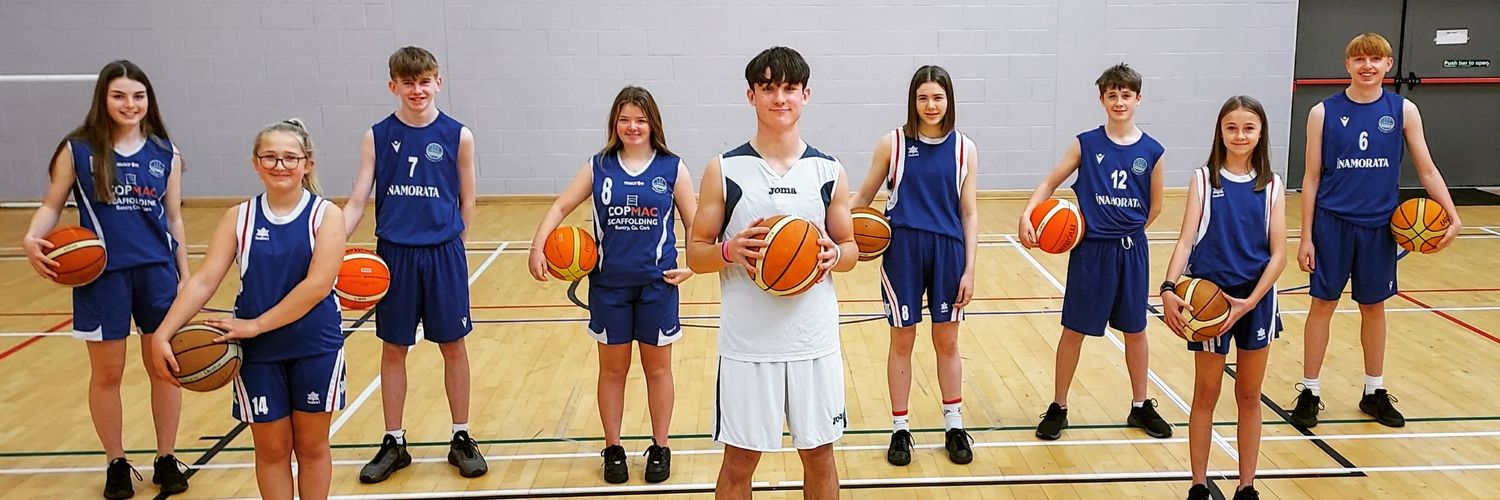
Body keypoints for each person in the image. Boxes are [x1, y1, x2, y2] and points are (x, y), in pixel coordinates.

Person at [686, 46, 858, 499]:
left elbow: (851, 247)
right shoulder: (724, 169)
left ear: (806, 95)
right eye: (768, 88)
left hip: (813, 341)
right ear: (751, 96)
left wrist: (832, 257)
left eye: (788, 88)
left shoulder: (828, 170)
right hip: (748, 345)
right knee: (739, 461)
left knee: (820, 455)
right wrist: (728, 249)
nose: (778, 98)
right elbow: (695, 252)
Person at [20, 60, 191, 499]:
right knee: (108, 373)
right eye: (119, 95)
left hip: (156, 272)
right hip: (101, 275)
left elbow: (174, 218)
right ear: (103, 99)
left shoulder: (165, 152)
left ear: (148, 100)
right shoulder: (77, 149)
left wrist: (186, 275)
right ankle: (116, 461)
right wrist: (32, 236)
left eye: (138, 96)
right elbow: (51, 205)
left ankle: (167, 458)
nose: (129, 104)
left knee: (164, 370)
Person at [150, 119, 345, 500]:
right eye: (269, 157)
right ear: (255, 163)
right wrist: (163, 332)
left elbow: (317, 285)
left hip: (314, 344)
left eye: (290, 157)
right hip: (257, 352)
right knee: (271, 450)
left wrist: (256, 324)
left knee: (311, 448)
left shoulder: (326, 215)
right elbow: (204, 280)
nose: (280, 165)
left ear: (308, 163)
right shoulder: (238, 217)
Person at [527, 86, 698, 484]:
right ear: (614, 124)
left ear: (652, 123)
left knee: (658, 371)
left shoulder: (672, 167)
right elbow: (560, 206)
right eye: (625, 119)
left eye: (640, 119)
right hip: (609, 288)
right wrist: (538, 247)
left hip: (658, 285)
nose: (632, 127)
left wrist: (693, 266)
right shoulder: (599, 165)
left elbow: (695, 224)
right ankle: (614, 448)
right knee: (613, 371)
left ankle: (660, 446)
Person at [1292, 32, 1462, 429]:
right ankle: (1310, 391)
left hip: (1380, 227)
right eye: (1359, 59)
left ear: (1389, 65)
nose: (1367, 66)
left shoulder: (1403, 110)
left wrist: (1451, 214)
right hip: (1332, 223)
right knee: (1322, 306)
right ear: (1347, 65)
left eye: (1375, 59)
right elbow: (1311, 178)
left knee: (1374, 307)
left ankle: (1374, 390)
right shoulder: (1322, 112)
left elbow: (1426, 168)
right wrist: (1305, 236)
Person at [342, 46, 487, 482]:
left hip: (442, 254)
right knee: (393, 348)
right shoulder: (376, 136)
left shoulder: (458, 135)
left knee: (453, 346)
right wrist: (329, 245)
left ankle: (461, 436)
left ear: (437, 82)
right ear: (393, 86)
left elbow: (468, 200)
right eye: (408, 83)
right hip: (394, 256)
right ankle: (394, 441)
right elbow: (356, 201)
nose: (417, 90)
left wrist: (450, 243)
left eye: (424, 81)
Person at [1018, 62, 1172, 441]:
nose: (1119, 101)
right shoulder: (1086, 143)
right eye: (1112, 95)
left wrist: (1127, 231)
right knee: (1074, 330)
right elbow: (1051, 182)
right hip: (1091, 252)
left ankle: (1140, 405)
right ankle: (1058, 406)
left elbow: (1155, 207)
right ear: (1102, 99)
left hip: (1131, 251)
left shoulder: (1153, 151)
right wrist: (1027, 214)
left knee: (1136, 330)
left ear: (1138, 98)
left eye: (1126, 95)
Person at [851, 65, 979, 466]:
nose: (930, 105)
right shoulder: (893, 143)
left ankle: (954, 425)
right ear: (913, 100)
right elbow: (862, 199)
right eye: (923, 97)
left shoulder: (965, 148)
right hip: (903, 249)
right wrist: (832, 228)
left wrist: (970, 269)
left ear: (949, 100)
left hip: (949, 251)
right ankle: (900, 429)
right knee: (902, 341)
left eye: (937, 97)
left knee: (948, 341)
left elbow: (970, 213)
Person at [1160, 96, 1285, 500]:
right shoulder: (1203, 180)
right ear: (1220, 131)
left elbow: (1279, 253)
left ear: (1261, 132)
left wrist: (1251, 301)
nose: (1240, 135)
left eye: (1248, 128)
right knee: (1206, 394)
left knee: (1249, 395)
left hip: (1255, 302)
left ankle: (1247, 486)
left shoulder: (1272, 185)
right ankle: (1198, 484)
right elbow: (1184, 241)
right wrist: (1167, 288)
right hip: (1209, 302)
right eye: (1231, 127)